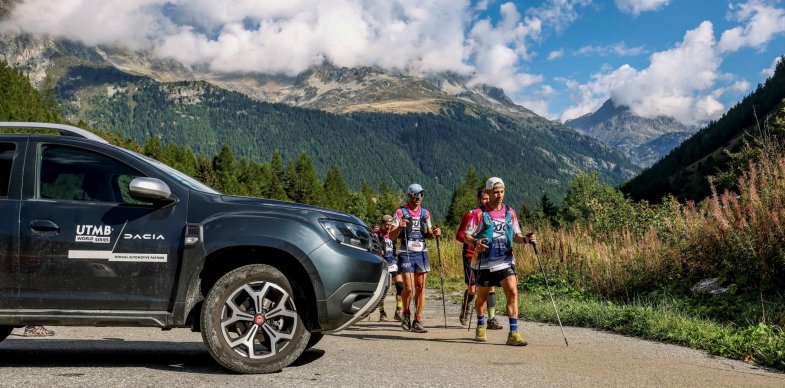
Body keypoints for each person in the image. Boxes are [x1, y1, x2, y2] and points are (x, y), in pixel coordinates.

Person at [463, 177, 536, 346]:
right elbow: (467, 235)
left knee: (512, 291)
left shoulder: (510, 212)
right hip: (485, 262)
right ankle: (481, 324)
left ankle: (513, 333)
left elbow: (516, 236)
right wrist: (475, 242)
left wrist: (526, 239)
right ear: (487, 193)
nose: (499, 195)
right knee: (481, 297)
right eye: (495, 192)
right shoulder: (479, 214)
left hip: (505, 260)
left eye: (502, 191)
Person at [390, 183, 441, 333]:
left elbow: (429, 235)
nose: (419, 197)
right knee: (409, 287)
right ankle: (406, 312)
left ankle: (418, 319)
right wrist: (399, 227)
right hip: (406, 252)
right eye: (416, 194)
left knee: (420, 287)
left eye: (421, 194)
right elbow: (391, 235)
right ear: (410, 195)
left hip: (422, 253)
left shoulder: (426, 213)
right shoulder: (400, 212)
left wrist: (435, 233)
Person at [455, 188, 502, 330]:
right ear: (478, 200)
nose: (487, 201)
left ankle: (491, 319)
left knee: (491, 286)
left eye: (488, 198)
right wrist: (473, 241)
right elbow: (459, 235)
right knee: (473, 288)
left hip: (488, 255)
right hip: (471, 254)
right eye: (484, 199)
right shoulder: (471, 214)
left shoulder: (493, 215)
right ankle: (466, 308)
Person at [376, 214, 404, 321]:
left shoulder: (394, 234)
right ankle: (382, 313)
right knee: (382, 291)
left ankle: (398, 312)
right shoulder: (377, 235)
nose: (388, 226)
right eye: (386, 224)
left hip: (394, 263)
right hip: (383, 264)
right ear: (382, 224)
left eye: (390, 224)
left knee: (400, 287)